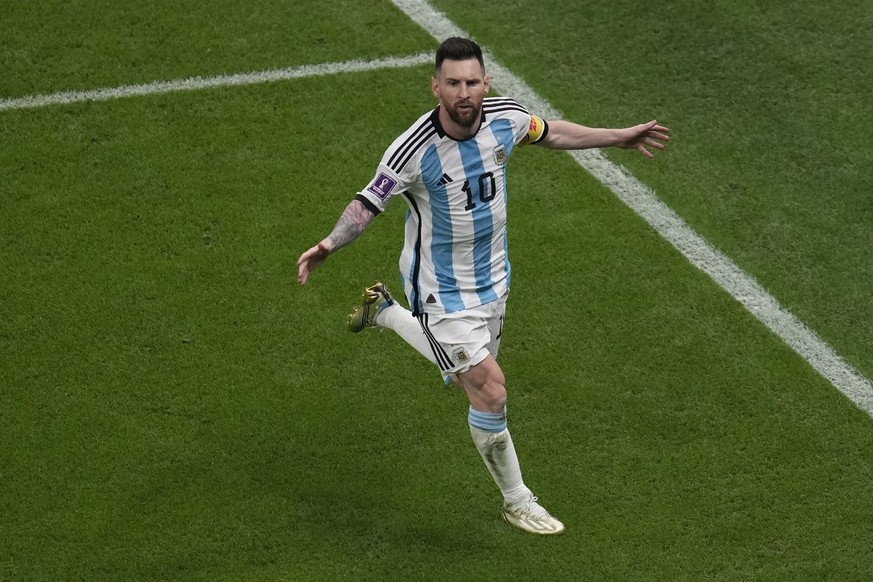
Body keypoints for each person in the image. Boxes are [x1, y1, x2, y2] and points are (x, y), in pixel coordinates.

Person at [297, 37, 669, 535]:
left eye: (472, 81)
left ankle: (382, 310)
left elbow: (551, 132)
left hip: (494, 282)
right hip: (440, 291)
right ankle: (518, 500)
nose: (464, 92)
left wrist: (617, 136)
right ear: (436, 87)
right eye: (453, 83)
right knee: (488, 390)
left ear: (486, 82)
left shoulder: (506, 118)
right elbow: (369, 202)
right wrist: (329, 244)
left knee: (460, 374)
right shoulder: (413, 149)